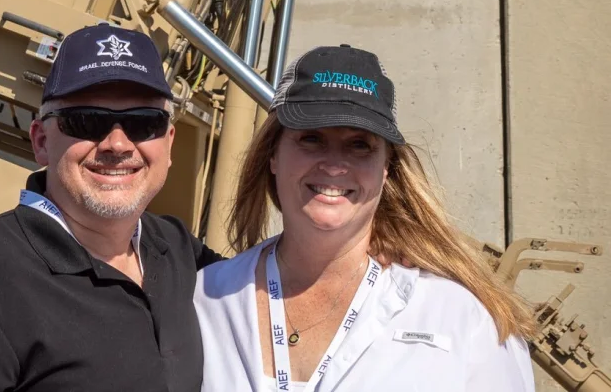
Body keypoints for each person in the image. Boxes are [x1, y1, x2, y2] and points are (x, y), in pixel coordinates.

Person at [0, 22, 224, 391]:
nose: (118, 144)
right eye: (86, 120)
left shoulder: (177, 250)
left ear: (169, 143)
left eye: (145, 123)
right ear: (41, 141)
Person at [193, 44, 537, 392]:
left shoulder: (462, 318)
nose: (334, 164)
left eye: (360, 145)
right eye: (311, 138)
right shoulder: (204, 299)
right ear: (273, 156)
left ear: (386, 168)